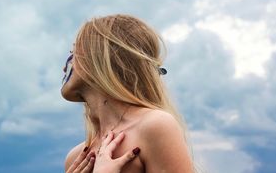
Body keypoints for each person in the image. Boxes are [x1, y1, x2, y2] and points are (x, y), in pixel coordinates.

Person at [61, 14, 194, 173]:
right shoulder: (75, 157)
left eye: (73, 53)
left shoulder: (154, 126)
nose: (65, 67)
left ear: (102, 58)